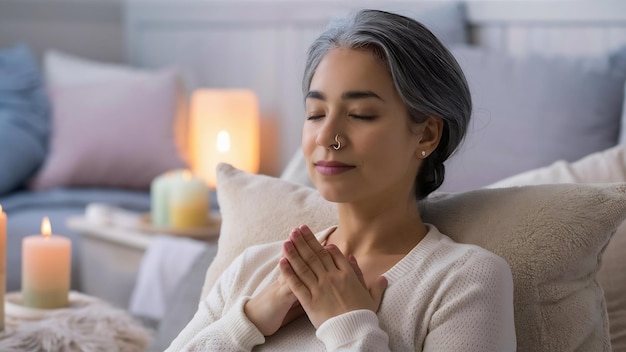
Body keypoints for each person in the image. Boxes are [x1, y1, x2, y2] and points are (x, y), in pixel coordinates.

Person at [167, 9, 516, 351]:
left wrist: (349, 325)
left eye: (360, 115)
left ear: (426, 134)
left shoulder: (463, 280)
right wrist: (249, 321)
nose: (327, 136)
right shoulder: (255, 270)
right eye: (315, 114)